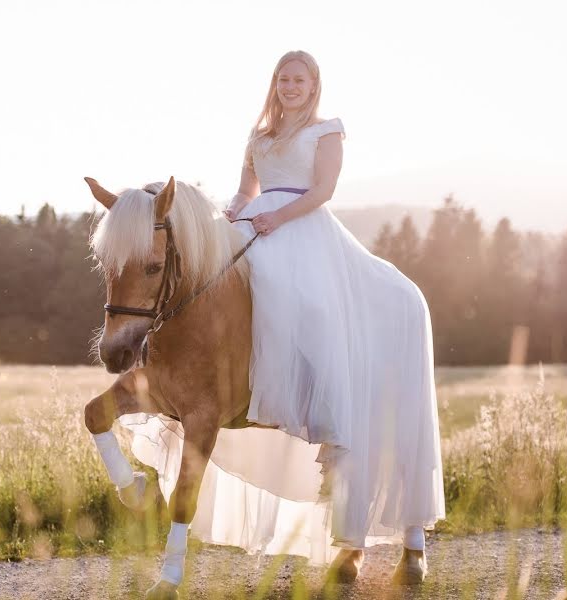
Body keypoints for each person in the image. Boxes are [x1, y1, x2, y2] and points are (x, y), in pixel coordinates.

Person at [220, 49, 446, 584]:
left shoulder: (326, 132)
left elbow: (323, 191)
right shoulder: (258, 135)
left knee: (312, 308)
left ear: (314, 84)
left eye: (298, 79)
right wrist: (235, 211)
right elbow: (246, 189)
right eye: (282, 78)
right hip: (259, 221)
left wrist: (276, 215)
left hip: (302, 227)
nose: (289, 85)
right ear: (273, 84)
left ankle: (320, 393)